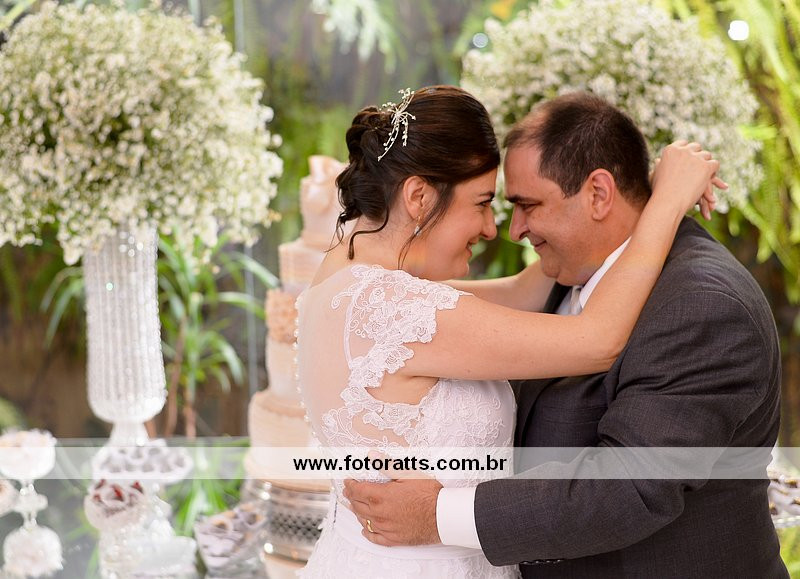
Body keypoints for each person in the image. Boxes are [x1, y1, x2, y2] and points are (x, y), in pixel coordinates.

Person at [343, 92, 788, 578]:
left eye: (528, 205)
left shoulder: (703, 306)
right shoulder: (569, 271)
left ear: (598, 194)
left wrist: (436, 515)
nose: (514, 230)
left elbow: (629, 487)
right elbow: (424, 310)